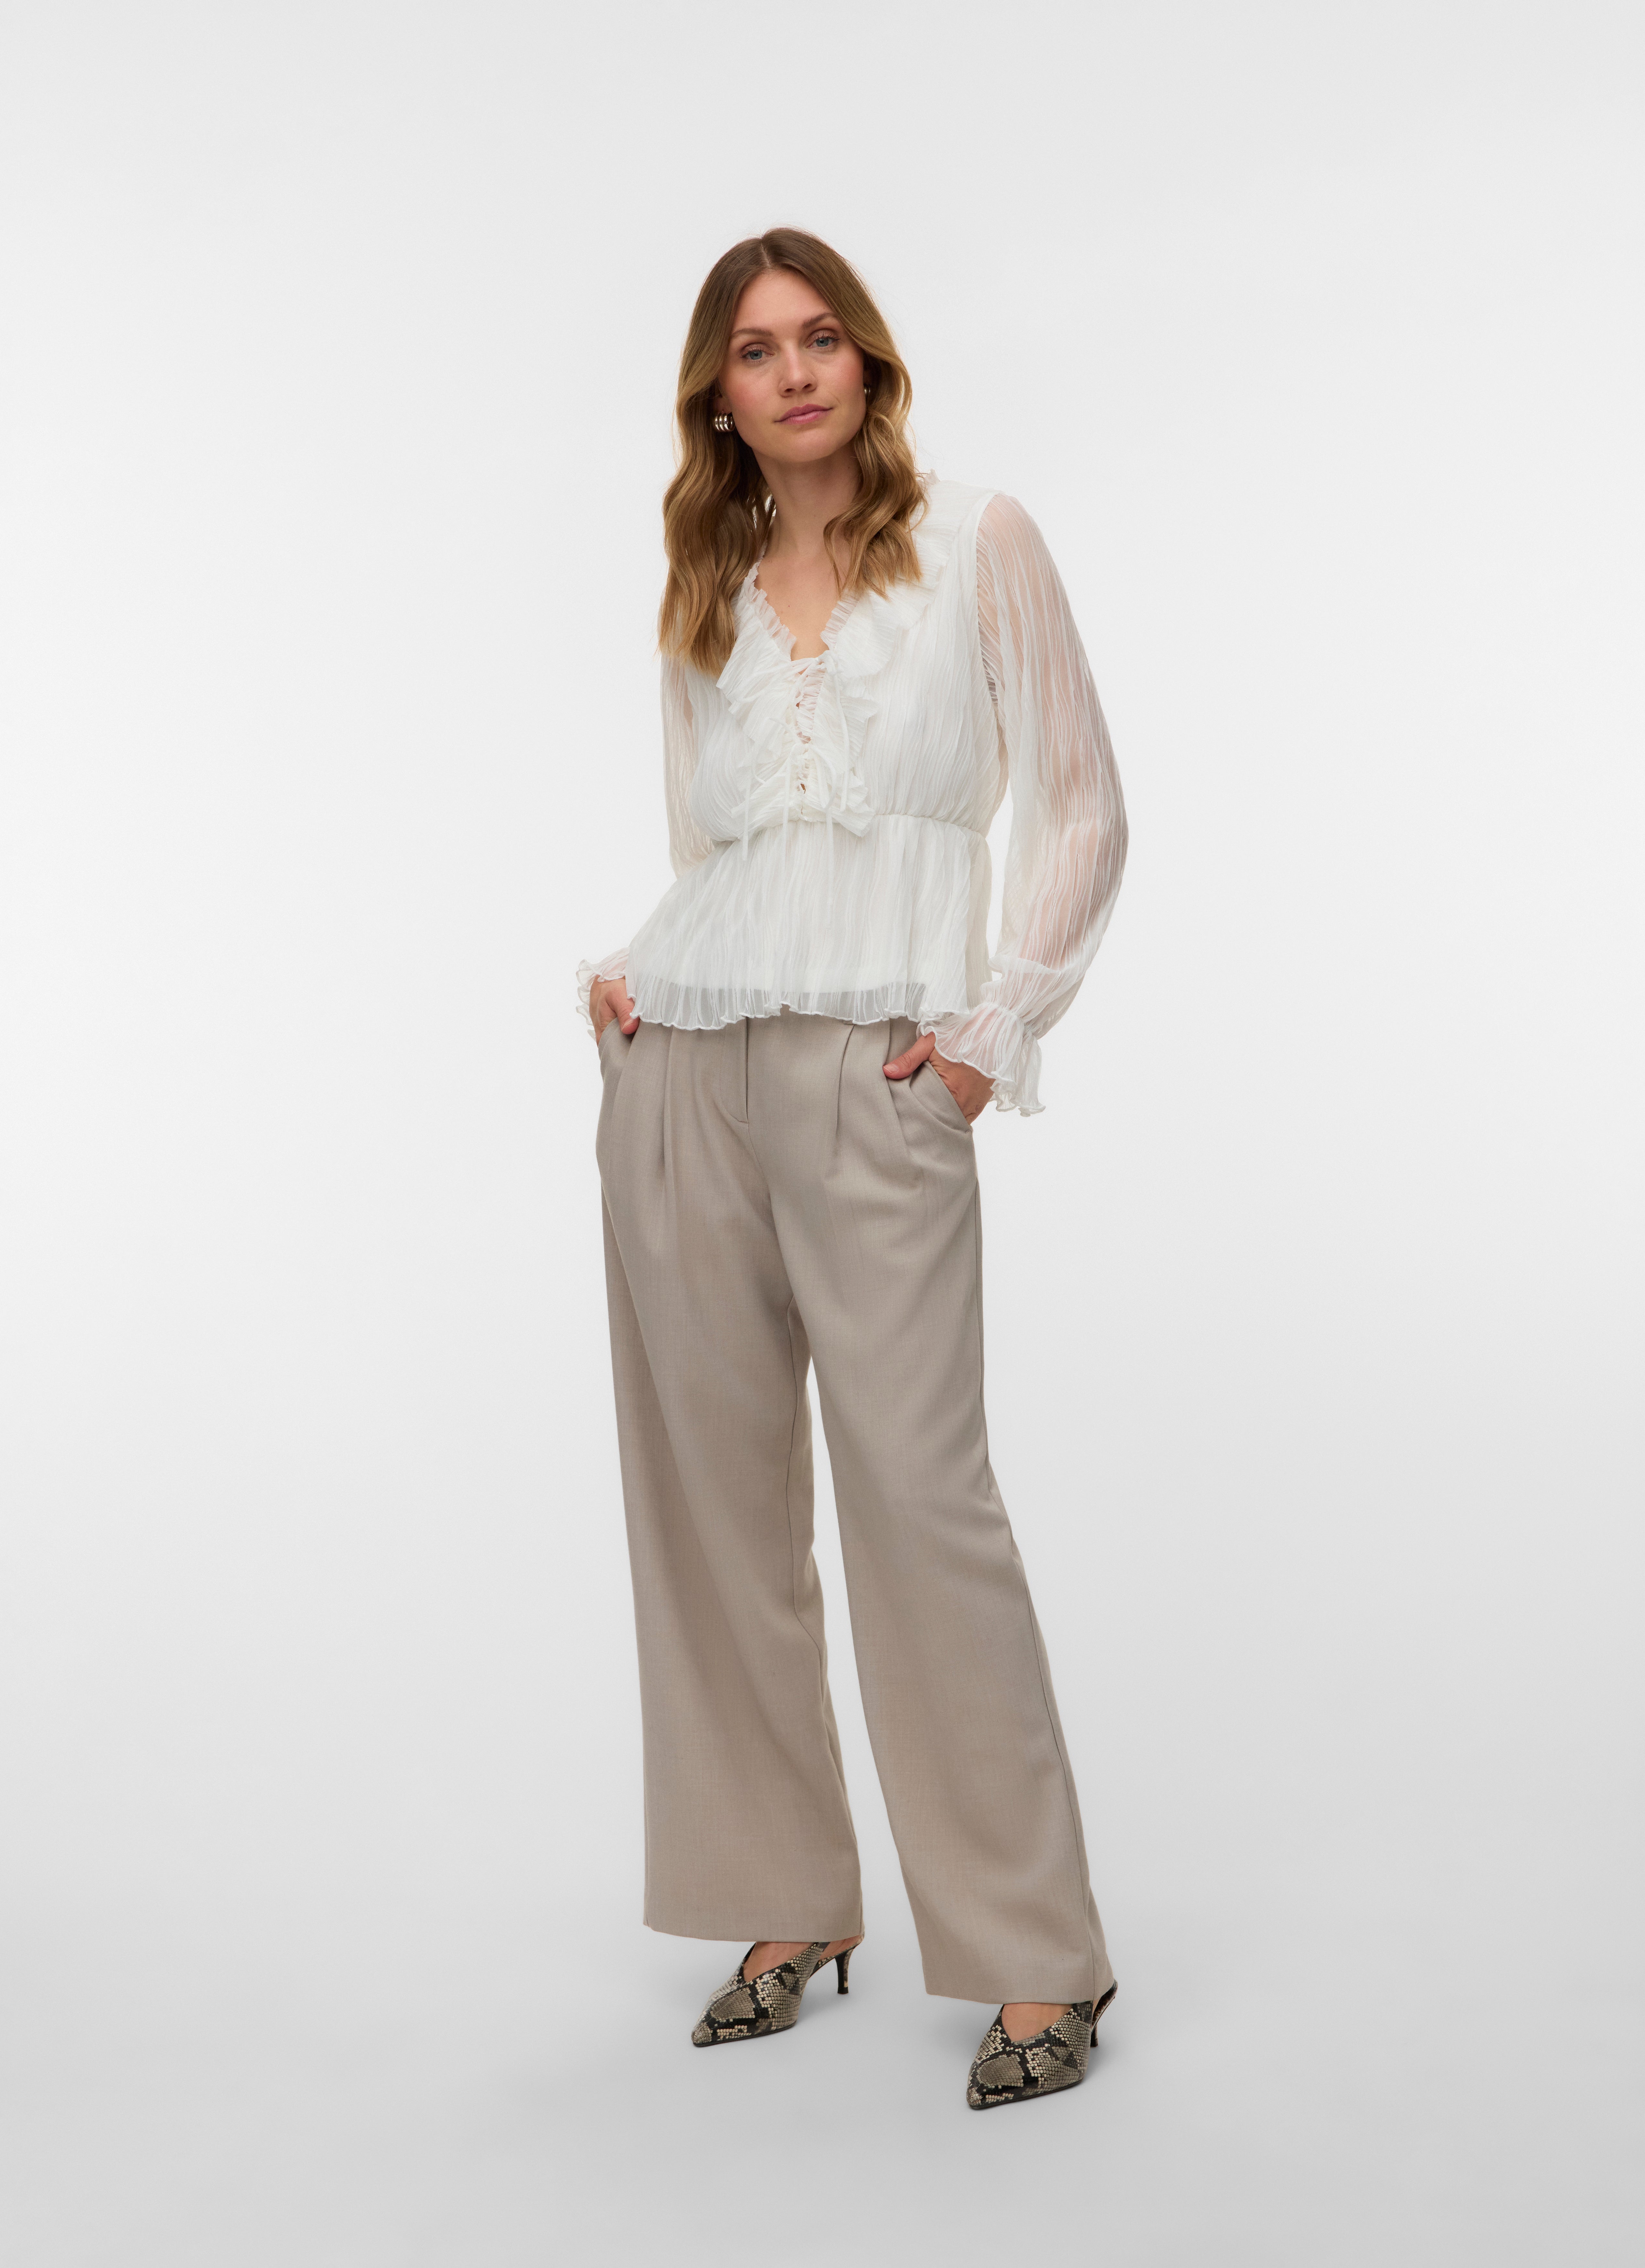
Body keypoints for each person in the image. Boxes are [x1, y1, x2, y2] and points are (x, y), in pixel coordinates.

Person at [578, 228, 1127, 2109]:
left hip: (878, 1073)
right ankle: (783, 1902)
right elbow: (710, 847)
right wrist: (635, 976)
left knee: (920, 1495)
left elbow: (1082, 806)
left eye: (822, 337)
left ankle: (1037, 1953)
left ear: (868, 363)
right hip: (684, 1066)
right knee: (713, 1507)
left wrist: (993, 1030)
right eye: (756, 349)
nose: (796, 371)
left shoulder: (978, 542)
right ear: (718, 395)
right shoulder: (705, 586)